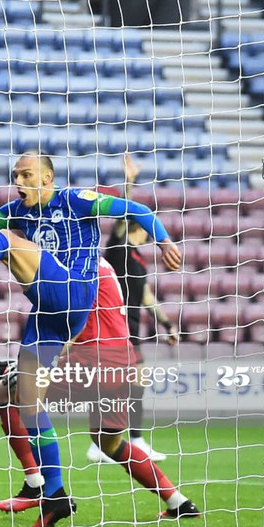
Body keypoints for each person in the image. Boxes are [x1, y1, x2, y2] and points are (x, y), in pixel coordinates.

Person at [0, 153, 181, 527]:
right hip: (47, 312)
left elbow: (135, 208)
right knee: (27, 401)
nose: (19, 181)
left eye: (27, 175)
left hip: (74, 292)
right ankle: (54, 494)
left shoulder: (77, 201)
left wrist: (163, 240)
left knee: (8, 242)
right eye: (16, 176)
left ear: (48, 178)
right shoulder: (16, 210)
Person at [0, 255, 199, 522]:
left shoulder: (76, 265)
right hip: (123, 361)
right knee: (107, 441)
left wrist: (32, 366)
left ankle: (35, 483)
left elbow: (74, 324)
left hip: (93, 359)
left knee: (6, 391)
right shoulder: (101, 263)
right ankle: (177, 501)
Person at [94, 156, 178, 463]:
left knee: (131, 382)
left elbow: (145, 297)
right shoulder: (118, 247)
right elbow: (124, 212)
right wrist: (129, 181)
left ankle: (121, 440)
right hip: (113, 324)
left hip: (132, 325)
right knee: (122, 381)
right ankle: (119, 440)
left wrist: (167, 324)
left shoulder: (139, 259)